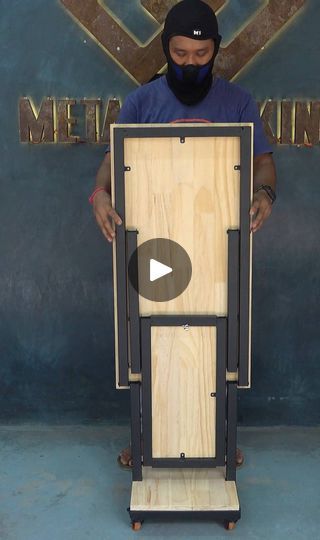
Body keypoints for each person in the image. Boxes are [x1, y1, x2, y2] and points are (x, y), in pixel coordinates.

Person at [90, 0, 277, 469]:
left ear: (216, 50)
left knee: (218, 342)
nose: (190, 63)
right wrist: (100, 197)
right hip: (156, 242)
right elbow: (109, 168)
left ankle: (216, 438)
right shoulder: (141, 102)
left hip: (216, 243)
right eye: (179, 54)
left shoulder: (238, 102)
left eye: (201, 54)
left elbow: (263, 161)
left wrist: (266, 195)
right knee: (152, 343)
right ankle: (148, 438)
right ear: (164, 49)